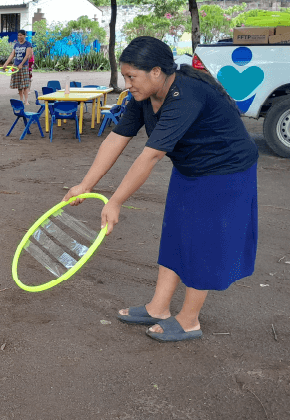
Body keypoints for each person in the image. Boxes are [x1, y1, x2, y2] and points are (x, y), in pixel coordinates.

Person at [62, 36, 259, 343]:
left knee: (202, 243)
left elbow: (151, 156)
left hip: (225, 172)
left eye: (132, 77)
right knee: (176, 235)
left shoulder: (186, 94)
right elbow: (116, 138)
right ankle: (158, 308)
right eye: (125, 77)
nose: (127, 84)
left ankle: (189, 320)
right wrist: (85, 185)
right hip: (190, 168)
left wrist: (115, 201)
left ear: (156, 72)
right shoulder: (143, 97)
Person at [2, 30, 33, 105]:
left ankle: (26, 101)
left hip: (24, 66)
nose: (19, 37)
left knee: (25, 84)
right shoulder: (16, 45)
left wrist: (21, 64)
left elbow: (27, 55)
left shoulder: (28, 44)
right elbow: (12, 55)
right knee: (19, 84)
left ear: (24, 36)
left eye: (21, 35)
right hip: (16, 66)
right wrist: (5, 64)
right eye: (18, 35)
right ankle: (21, 100)